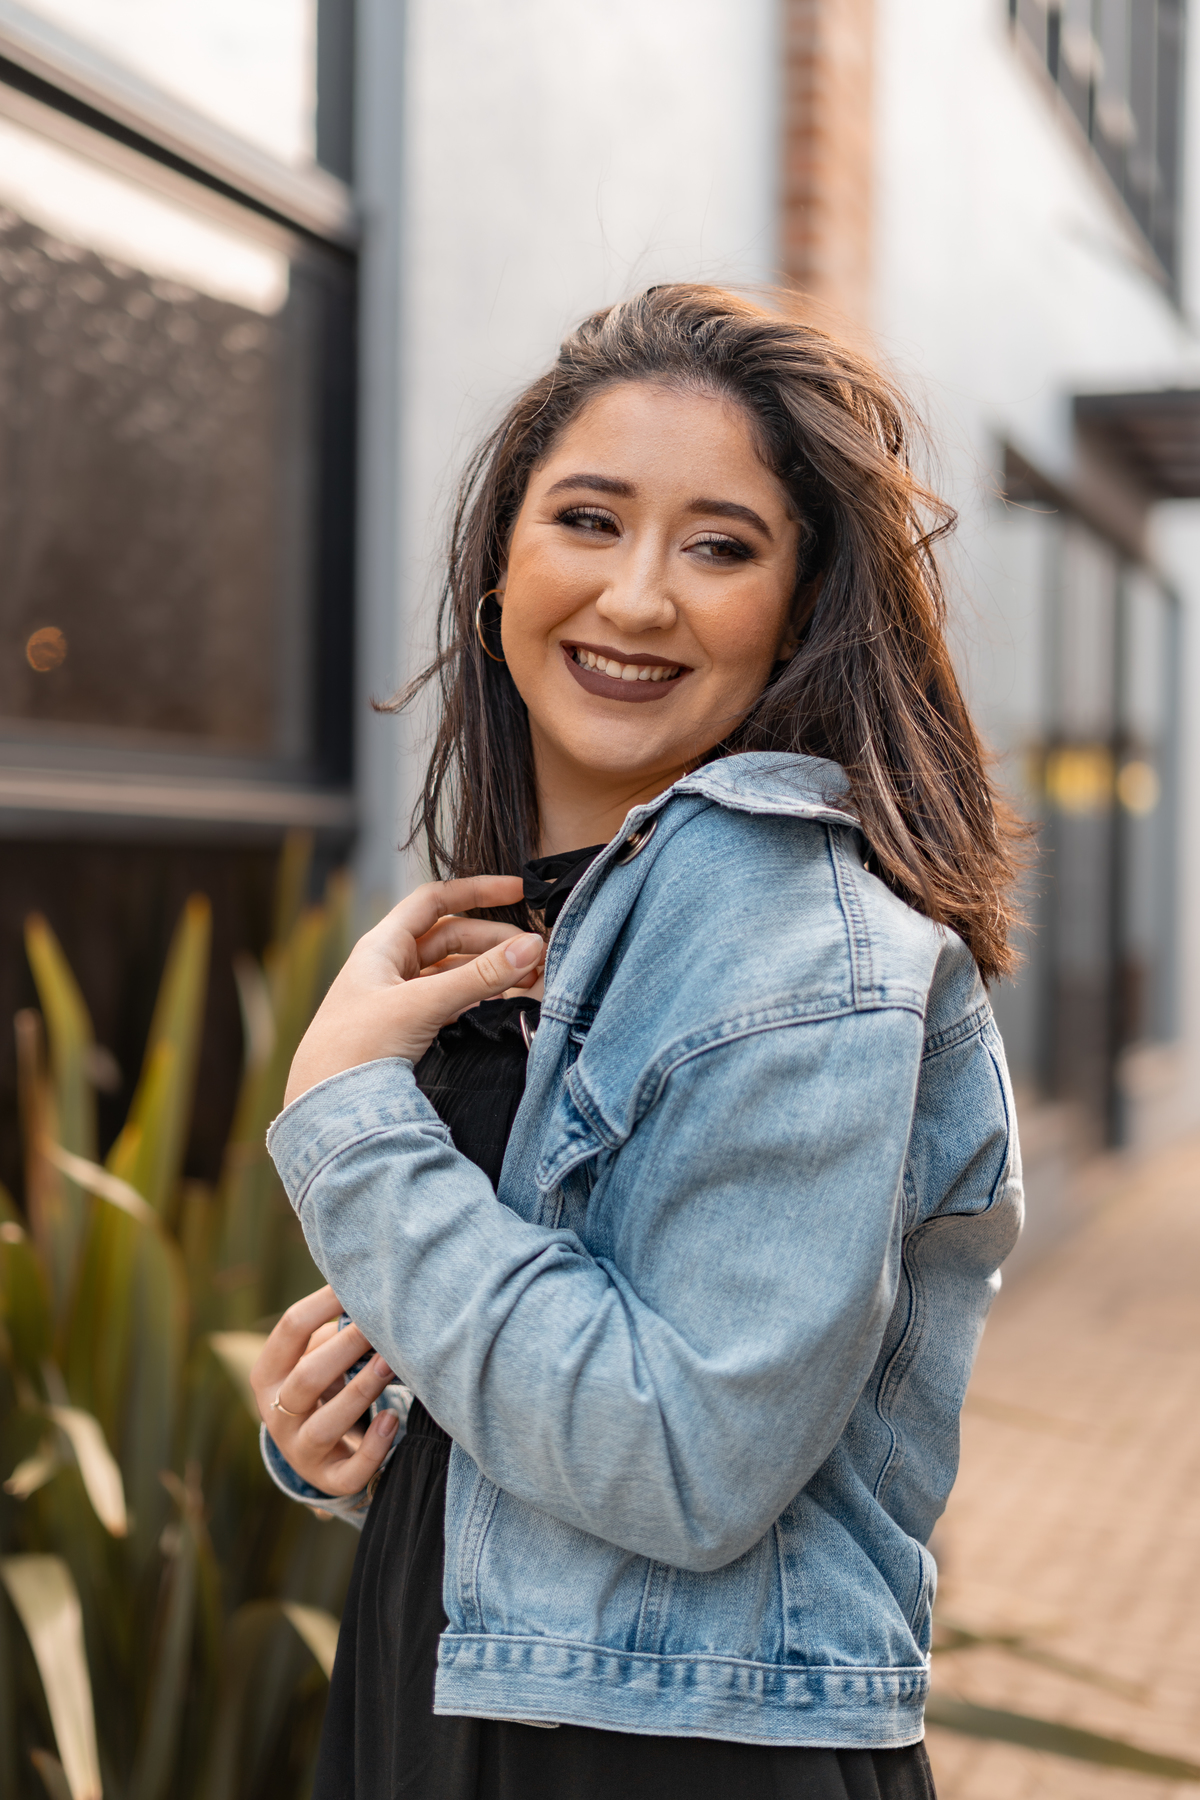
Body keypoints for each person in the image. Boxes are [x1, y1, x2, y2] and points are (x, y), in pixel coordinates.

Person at [250, 284, 1024, 1800]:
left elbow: (684, 1463)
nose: (639, 598)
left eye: (720, 545)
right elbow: (559, 1380)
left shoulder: (805, 950)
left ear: (796, 615)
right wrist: (352, 1432)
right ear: (498, 570)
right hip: (465, 1712)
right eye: (588, 521)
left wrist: (348, 1116)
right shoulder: (546, 936)